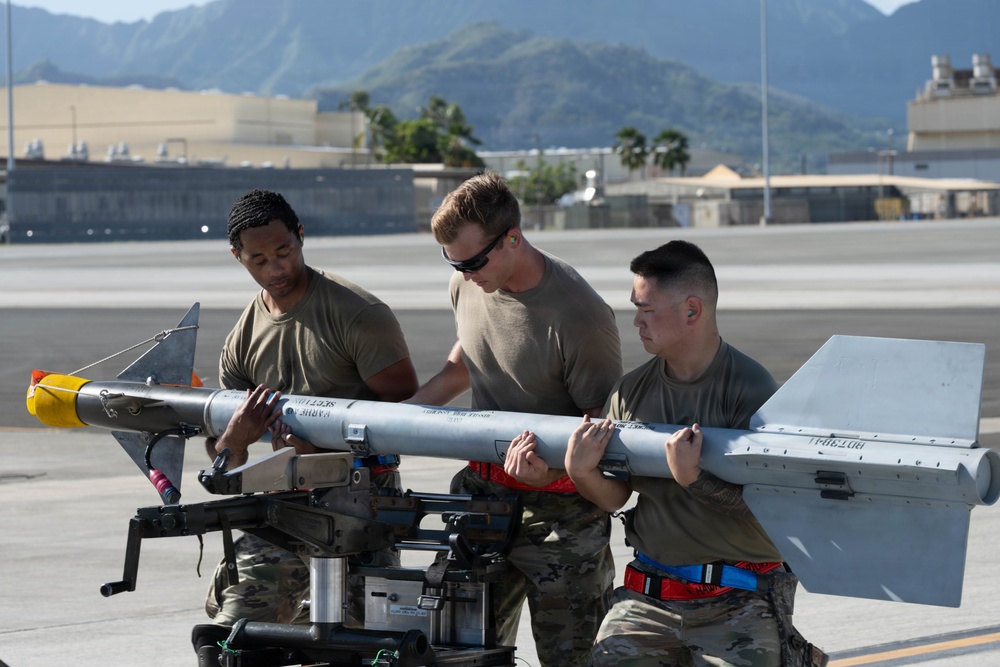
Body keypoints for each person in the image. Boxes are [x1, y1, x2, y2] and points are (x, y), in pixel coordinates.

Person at [545, 239, 798, 665]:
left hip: (738, 598)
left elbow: (773, 509)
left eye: (647, 310)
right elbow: (618, 495)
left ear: (692, 310)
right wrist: (583, 473)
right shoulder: (630, 391)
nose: (636, 322)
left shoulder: (750, 391)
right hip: (651, 595)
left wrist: (694, 479)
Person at [407, 171, 623, 666]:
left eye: (473, 262)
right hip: (482, 500)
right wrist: (402, 416)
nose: (465, 275)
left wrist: (548, 475)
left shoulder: (580, 315)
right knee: (456, 653)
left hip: (561, 517)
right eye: (453, 262)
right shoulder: (468, 283)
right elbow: (464, 363)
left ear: (512, 239)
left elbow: (602, 432)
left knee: (571, 659)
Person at [203, 188, 419, 627]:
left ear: (301, 236)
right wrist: (233, 442)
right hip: (284, 505)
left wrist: (323, 457)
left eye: (284, 252)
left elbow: (407, 416)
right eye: (258, 260)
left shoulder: (357, 314)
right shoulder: (243, 337)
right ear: (237, 257)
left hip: (359, 505)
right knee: (234, 632)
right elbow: (224, 453)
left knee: (367, 641)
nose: (275, 268)